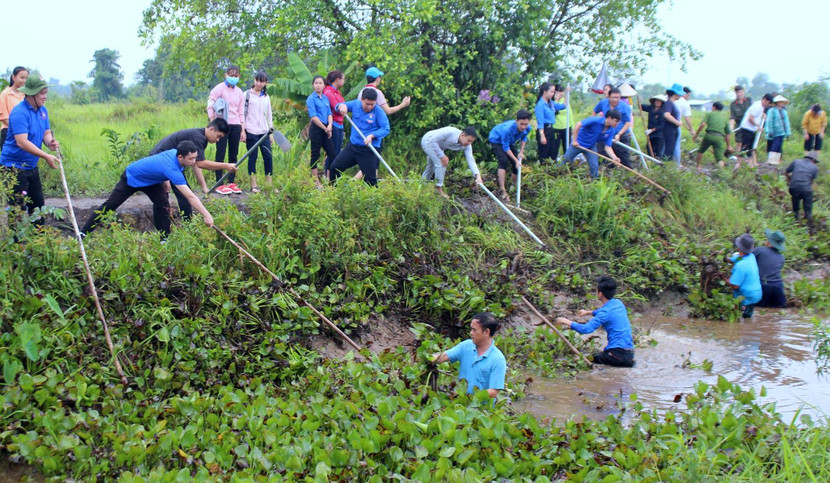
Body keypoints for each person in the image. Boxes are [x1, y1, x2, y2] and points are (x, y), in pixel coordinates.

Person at [81, 141, 214, 236]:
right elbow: (190, 196)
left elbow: (160, 161)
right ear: (180, 157)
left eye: (195, 158)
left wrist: (165, 179)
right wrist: (207, 215)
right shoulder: (172, 168)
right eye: (191, 159)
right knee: (110, 205)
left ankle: (164, 238)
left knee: (162, 203)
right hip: (132, 177)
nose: (194, 162)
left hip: (151, 181)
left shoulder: (175, 153)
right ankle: (83, 233)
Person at [0, 75, 60, 222]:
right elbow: (22, 142)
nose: (45, 96)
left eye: (46, 92)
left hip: (31, 166)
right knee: (18, 208)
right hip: (14, 167)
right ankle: (17, 244)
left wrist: (50, 143)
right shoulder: (19, 112)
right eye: (42, 93)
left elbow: (46, 133)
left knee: (38, 204)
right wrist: (46, 156)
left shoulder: (42, 110)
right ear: (31, 94)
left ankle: (38, 237)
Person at [149, 118, 231, 219]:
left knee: (184, 194)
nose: (218, 140)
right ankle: (178, 226)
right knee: (164, 198)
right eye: (218, 136)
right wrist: (226, 166)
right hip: (160, 161)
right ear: (211, 129)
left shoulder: (201, 137)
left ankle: (187, 223)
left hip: (171, 164)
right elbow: (201, 163)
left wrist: (204, 186)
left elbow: (196, 164)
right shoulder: (198, 137)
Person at [555, 276, 635, 367]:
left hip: (616, 355)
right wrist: (588, 312)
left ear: (600, 294)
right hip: (630, 353)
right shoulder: (618, 303)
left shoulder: (604, 313)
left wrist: (566, 321)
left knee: (588, 360)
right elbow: (604, 312)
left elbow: (585, 329)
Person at [431, 312, 506, 398]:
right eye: (471, 329)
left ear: (486, 332)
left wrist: (471, 398)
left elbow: (494, 391)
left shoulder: (498, 359)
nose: (471, 333)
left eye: (474, 330)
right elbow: (443, 357)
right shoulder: (466, 346)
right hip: (460, 404)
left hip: (481, 408)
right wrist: (430, 358)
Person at [329, 88, 390, 187]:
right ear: (361, 100)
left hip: (369, 150)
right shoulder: (355, 104)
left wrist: (372, 135)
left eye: (372, 104)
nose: (370, 107)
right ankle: (333, 191)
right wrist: (341, 107)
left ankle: (374, 200)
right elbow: (339, 106)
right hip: (353, 147)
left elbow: (386, 129)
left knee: (371, 182)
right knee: (334, 168)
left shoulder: (378, 111)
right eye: (367, 104)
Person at [207, 65, 246, 195]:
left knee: (233, 154)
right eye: (231, 75)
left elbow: (241, 111)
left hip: (236, 125)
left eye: (236, 76)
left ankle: (231, 181)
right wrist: (212, 119)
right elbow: (211, 103)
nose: (233, 78)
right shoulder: (219, 88)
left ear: (239, 76)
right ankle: (219, 182)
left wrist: (242, 129)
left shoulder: (240, 92)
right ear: (226, 75)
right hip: (222, 125)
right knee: (221, 153)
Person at [421, 126, 481, 198]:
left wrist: (478, 175)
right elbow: (432, 141)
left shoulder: (468, 145)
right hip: (428, 141)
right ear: (463, 135)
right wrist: (442, 156)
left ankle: (422, 186)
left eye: (472, 141)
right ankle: (438, 189)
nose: (470, 143)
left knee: (431, 168)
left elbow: (470, 159)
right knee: (441, 164)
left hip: (438, 147)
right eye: (469, 140)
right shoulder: (450, 132)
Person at [562, 109, 622, 179]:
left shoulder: (611, 131)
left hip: (591, 146)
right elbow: (578, 124)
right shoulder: (595, 120)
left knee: (594, 166)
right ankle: (559, 175)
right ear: (609, 118)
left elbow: (607, 147)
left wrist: (614, 158)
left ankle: (593, 182)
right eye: (616, 121)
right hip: (578, 144)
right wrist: (574, 140)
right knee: (566, 160)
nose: (617, 124)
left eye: (618, 122)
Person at [488, 110, 532, 200]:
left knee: (516, 163)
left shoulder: (528, 127)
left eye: (526, 124)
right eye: (521, 124)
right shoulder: (507, 129)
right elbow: (506, 147)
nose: (523, 127)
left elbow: (524, 138)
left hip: (508, 141)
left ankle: (515, 184)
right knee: (503, 160)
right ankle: (502, 189)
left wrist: (521, 152)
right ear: (517, 121)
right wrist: (516, 160)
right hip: (497, 139)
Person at [243, 71, 274, 193]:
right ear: (254, 80)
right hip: (250, 131)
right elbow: (242, 114)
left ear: (266, 83)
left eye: (262, 81)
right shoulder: (246, 95)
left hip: (264, 131)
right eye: (257, 80)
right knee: (252, 157)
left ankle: (269, 183)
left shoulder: (266, 96)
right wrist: (243, 131)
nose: (259, 83)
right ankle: (253, 184)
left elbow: (269, 115)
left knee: (268, 157)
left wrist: (270, 133)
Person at [307, 75, 336, 188]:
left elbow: (329, 113)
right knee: (315, 154)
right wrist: (325, 128)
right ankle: (316, 182)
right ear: (313, 85)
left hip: (326, 128)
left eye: (320, 83)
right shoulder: (311, 99)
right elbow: (313, 116)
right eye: (316, 83)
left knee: (332, 153)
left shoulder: (325, 98)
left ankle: (328, 178)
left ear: (324, 85)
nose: (318, 85)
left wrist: (329, 126)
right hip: (316, 128)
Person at [593, 87, 633, 168]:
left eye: (617, 98)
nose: (615, 100)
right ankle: (601, 171)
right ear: (609, 96)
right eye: (613, 97)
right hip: (605, 133)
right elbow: (595, 111)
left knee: (624, 157)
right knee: (600, 153)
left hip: (620, 135)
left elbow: (628, 123)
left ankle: (629, 173)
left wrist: (619, 134)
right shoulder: (603, 103)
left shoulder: (625, 107)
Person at [727, 234, 763, 319]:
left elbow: (735, 286)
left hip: (747, 296)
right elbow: (736, 258)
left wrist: (723, 277)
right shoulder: (751, 256)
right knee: (748, 316)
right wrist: (727, 259)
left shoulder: (740, 266)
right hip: (756, 293)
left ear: (739, 248)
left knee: (742, 319)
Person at [736, 93, 774, 170]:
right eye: (768, 103)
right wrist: (758, 126)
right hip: (747, 128)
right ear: (765, 100)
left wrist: (763, 114)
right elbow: (750, 118)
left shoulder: (761, 106)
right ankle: (737, 165)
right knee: (745, 148)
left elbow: (757, 114)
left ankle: (750, 165)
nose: (768, 105)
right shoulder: (757, 106)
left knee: (751, 148)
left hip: (752, 129)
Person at [692, 101, 732, 170]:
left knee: (701, 151)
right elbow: (728, 134)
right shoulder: (724, 118)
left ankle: (698, 167)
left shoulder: (709, 114)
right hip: (719, 138)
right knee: (719, 158)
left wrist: (696, 134)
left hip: (709, 135)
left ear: (714, 107)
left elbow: (703, 124)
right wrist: (729, 146)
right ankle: (721, 173)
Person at [785, 151, 819, 228]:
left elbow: (786, 171)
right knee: (808, 209)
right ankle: (809, 224)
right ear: (813, 160)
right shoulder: (814, 167)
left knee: (795, 206)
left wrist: (789, 180)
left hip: (794, 187)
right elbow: (811, 181)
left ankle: (795, 221)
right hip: (807, 189)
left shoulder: (796, 162)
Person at [753, 229, 787, 308]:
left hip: (764, 286)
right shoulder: (781, 258)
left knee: (759, 308)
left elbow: (746, 257)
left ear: (769, 241)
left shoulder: (760, 250)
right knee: (779, 309)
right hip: (778, 287)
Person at [535, 82, 566, 165]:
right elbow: (540, 122)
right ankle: (543, 173)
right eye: (551, 92)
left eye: (553, 92)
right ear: (545, 91)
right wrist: (542, 135)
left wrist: (567, 95)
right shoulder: (540, 105)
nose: (553, 94)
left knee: (553, 153)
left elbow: (562, 106)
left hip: (551, 129)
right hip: (544, 130)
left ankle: (550, 172)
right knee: (544, 155)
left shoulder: (551, 103)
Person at [322, 70, 346, 178]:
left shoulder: (336, 91)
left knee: (337, 152)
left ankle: (334, 175)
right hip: (333, 124)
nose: (344, 81)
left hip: (340, 123)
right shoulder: (328, 92)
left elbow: (344, 103)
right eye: (343, 79)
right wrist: (340, 108)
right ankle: (328, 177)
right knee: (332, 153)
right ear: (338, 79)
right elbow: (336, 106)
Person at [0, 67, 29, 151]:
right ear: (13, 77)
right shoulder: (5, 94)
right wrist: (19, 128)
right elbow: (4, 118)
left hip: (25, 134)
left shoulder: (27, 95)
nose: (24, 81)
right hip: (8, 132)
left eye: (26, 78)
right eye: (22, 78)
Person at [764, 95, 791, 165]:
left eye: (783, 102)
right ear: (777, 102)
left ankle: (776, 161)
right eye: (780, 102)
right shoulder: (772, 111)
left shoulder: (784, 112)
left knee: (779, 146)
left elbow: (786, 122)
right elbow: (769, 121)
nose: (782, 103)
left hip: (782, 132)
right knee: (775, 145)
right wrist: (770, 131)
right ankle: (771, 160)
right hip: (775, 132)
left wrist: (788, 132)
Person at [551, 84, 575, 161]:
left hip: (566, 127)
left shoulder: (565, 101)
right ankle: (553, 163)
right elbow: (553, 111)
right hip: (556, 127)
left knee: (567, 147)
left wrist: (573, 127)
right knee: (554, 148)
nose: (560, 93)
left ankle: (568, 163)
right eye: (558, 91)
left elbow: (570, 114)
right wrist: (556, 100)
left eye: (561, 91)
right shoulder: (551, 102)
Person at [662, 85, 683, 163]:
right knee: (669, 149)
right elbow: (666, 115)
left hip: (673, 130)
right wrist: (677, 122)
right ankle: (665, 166)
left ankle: (668, 165)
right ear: (675, 94)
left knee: (671, 149)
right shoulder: (669, 103)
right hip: (669, 130)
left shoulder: (672, 103)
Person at [641, 94, 666, 158]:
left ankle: (658, 162)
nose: (657, 102)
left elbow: (661, 125)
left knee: (658, 150)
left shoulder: (662, 112)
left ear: (662, 103)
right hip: (650, 134)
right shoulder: (651, 108)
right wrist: (640, 101)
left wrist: (651, 130)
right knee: (649, 148)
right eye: (656, 101)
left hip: (659, 134)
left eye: (659, 101)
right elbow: (642, 106)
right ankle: (651, 160)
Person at [673, 86, 694, 161]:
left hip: (665, 125)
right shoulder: (685, 103)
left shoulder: (670, 98)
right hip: (676, 126)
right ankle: (677, 164)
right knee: (676, 145)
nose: (688, 97)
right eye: (688, 95)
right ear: (684, 94)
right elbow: (687, 119)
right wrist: (691, 129)